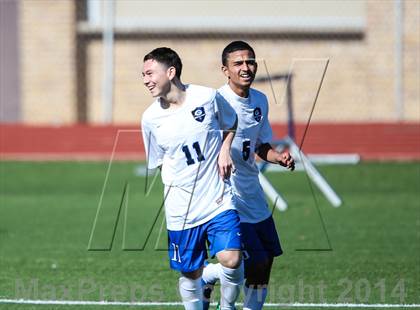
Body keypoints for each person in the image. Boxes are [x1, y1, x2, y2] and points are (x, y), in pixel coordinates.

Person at [141, 47, 244, 310]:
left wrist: (224, 150)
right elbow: (158, 161)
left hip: (218, 198)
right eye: (143, 75)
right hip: (181, 209)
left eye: (150, 73)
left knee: (231, 259)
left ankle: (228, 307)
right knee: (190, 273)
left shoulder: (206, 97)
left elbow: (231, 122)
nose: (146, 80)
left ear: (171, 72)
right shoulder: (150, 119)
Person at [202, 41, 295, 310]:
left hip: (251, 190)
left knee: (265, 259)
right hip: (225, 193)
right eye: (238, 63)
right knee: (245, 259)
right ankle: (212, 283)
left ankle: (211, 278)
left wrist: (278, 156)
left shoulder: (260, 101)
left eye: (250, 61)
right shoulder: (215, 102)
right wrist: (220, 151)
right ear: (225, 70)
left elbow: (260, 145)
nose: (246, 67)